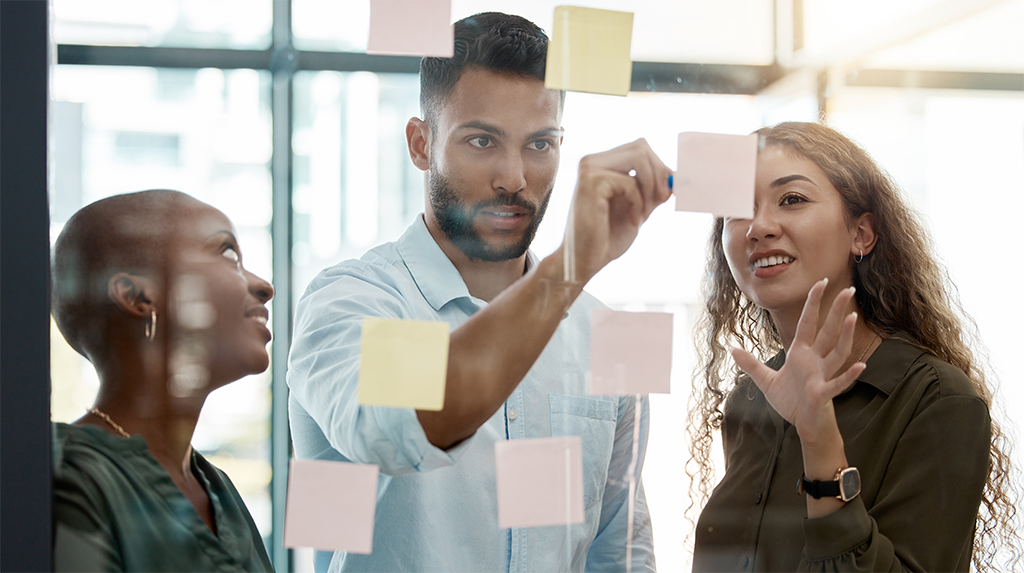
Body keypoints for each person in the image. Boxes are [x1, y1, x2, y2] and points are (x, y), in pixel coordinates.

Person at [287, 11, 672, 573]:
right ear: (421, 144)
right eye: (482, 140)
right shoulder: (355, 303)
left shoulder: (605, 332)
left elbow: (620, 553)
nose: (513, 177)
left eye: (540, 144)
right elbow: (404, 430)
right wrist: (568, 269)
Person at [687, 121, 1019, 572]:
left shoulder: (938, 400)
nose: (759, 227)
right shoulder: (750, 399)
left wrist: (819, 440)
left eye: (792, 200)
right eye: (738, 210)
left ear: (861, 234)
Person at [51, 189, 276, 573]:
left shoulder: (216, 487)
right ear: (138, 296)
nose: (264, 286)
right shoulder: (67, 476)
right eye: (227, 254)